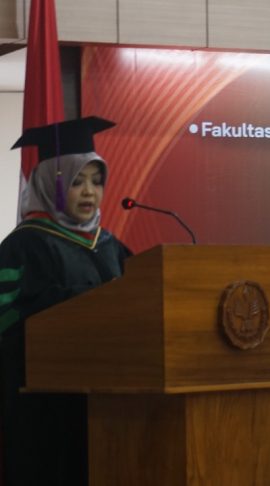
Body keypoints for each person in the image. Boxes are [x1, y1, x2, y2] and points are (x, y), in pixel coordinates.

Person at [0, 117, 130, 486]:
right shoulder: (24, 245)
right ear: (48, 184)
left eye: (96, 181)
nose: (89, 192)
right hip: (44, 406)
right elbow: (8, 323)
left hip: (109, 399)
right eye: (76, 182)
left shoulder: (111, 246)